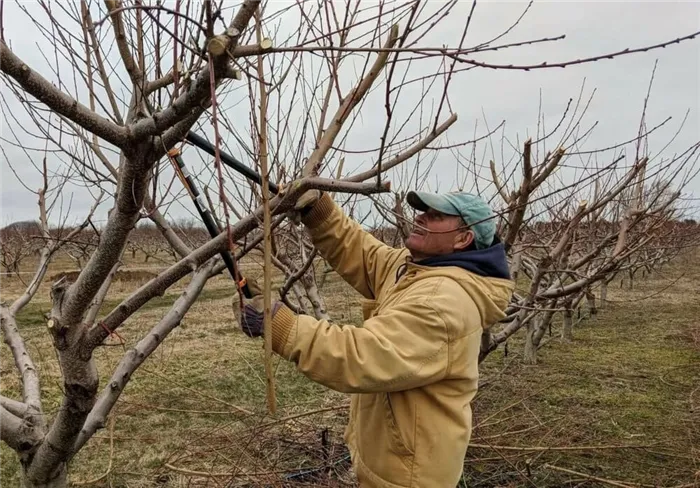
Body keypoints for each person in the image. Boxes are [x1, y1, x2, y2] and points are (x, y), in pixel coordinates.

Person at [237, 189, 515, 488]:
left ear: (463, 239)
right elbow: (364, 254)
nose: (420, 218)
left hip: (408, 477)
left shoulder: (442, 303)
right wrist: (318, 210)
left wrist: (278, 325)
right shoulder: (417, 270)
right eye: (423, 212)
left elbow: (360, 356)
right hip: (392, 459)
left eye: (435, 216)